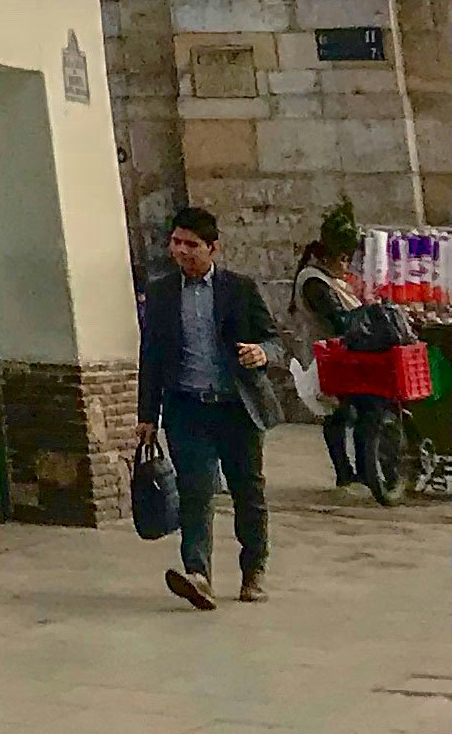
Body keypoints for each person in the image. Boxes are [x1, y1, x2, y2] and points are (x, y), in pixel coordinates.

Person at [137, 206, 282, 608]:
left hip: (236, 407)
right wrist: (147, 414)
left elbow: (276, 340)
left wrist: (261, 353)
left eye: (192, 244)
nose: (182, 251)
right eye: (176, 242)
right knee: (195, 491)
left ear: (213, 248)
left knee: (247, 492)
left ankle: (254, 571)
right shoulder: (163, 292)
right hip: (187, 408)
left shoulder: (239, 288)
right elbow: (150, 354)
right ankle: (198, 573)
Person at [294, 226, 396, 501]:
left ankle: (354, 471)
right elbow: (337, 318)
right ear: (328, 258)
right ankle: (351, 470)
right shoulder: (314, 282)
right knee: (349, 412)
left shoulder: (330, 280)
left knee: (342, 413)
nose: (346, 266)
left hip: (343, 356)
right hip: (328, 358)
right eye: (342, 259)